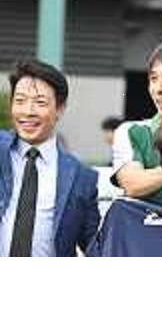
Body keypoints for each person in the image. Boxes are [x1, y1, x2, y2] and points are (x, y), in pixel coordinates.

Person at [0, 59, 100, 257]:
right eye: (20, 101)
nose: (28, 111)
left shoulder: (82, 178)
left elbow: (95, 248)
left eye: (40, 103)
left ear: (60, 109)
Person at [111, 40, 162, 208]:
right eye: (154, 78)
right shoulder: (132, 132)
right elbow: (132, 184)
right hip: (149, 233)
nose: (160, 89)